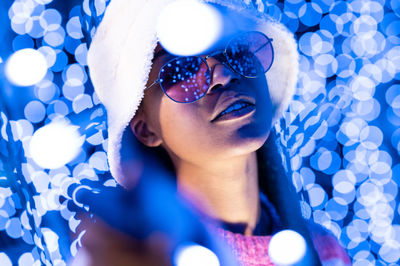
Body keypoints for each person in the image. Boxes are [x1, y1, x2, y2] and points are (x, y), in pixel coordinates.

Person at [74, 0, 352, 265]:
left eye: (237, 49)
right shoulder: (139, 256)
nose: (223, 74)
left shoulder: (324, 251)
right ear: (145, 129)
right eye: (182, 68)